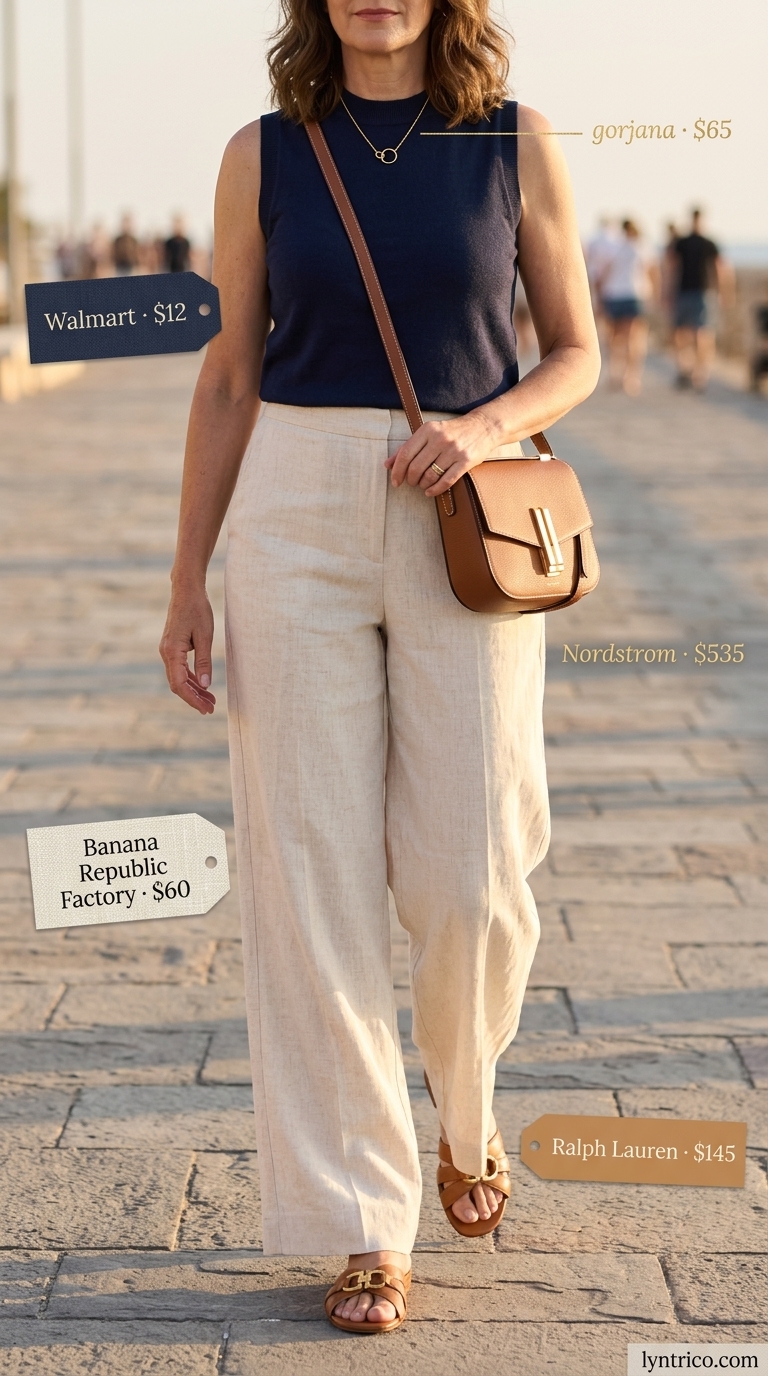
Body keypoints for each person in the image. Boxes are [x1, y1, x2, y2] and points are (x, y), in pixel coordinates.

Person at [160, 0, 600, 1336]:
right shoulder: (262, 153)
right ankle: (366, 1217)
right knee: (311, 876)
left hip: (465, 507)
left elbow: (575, 352)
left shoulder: (515, 142)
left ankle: (467, 1111)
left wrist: (487, 425)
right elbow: (228, 371)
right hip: (292, 510)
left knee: (474, 871)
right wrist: (186, 579)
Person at [671, 208, 733, 391]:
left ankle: (700, 374)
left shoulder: (709, 243)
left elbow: (720, 268)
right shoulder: (682, 243)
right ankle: (685, 368)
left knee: (702, 334)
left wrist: (724, 292)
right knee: (680, 334)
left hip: (704, 292)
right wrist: (667, 292)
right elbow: (672, 267)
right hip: (683, 291)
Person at [598, 218, 656, 395]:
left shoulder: (613, 246)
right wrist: (654, 294)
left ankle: (614, 373)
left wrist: (600, 297)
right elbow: (651, 271)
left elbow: (603, 273)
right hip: (634, 294)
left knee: (614, 338)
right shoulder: (643, 246)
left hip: (613, 294)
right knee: (634, 339)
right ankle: (631, 377)